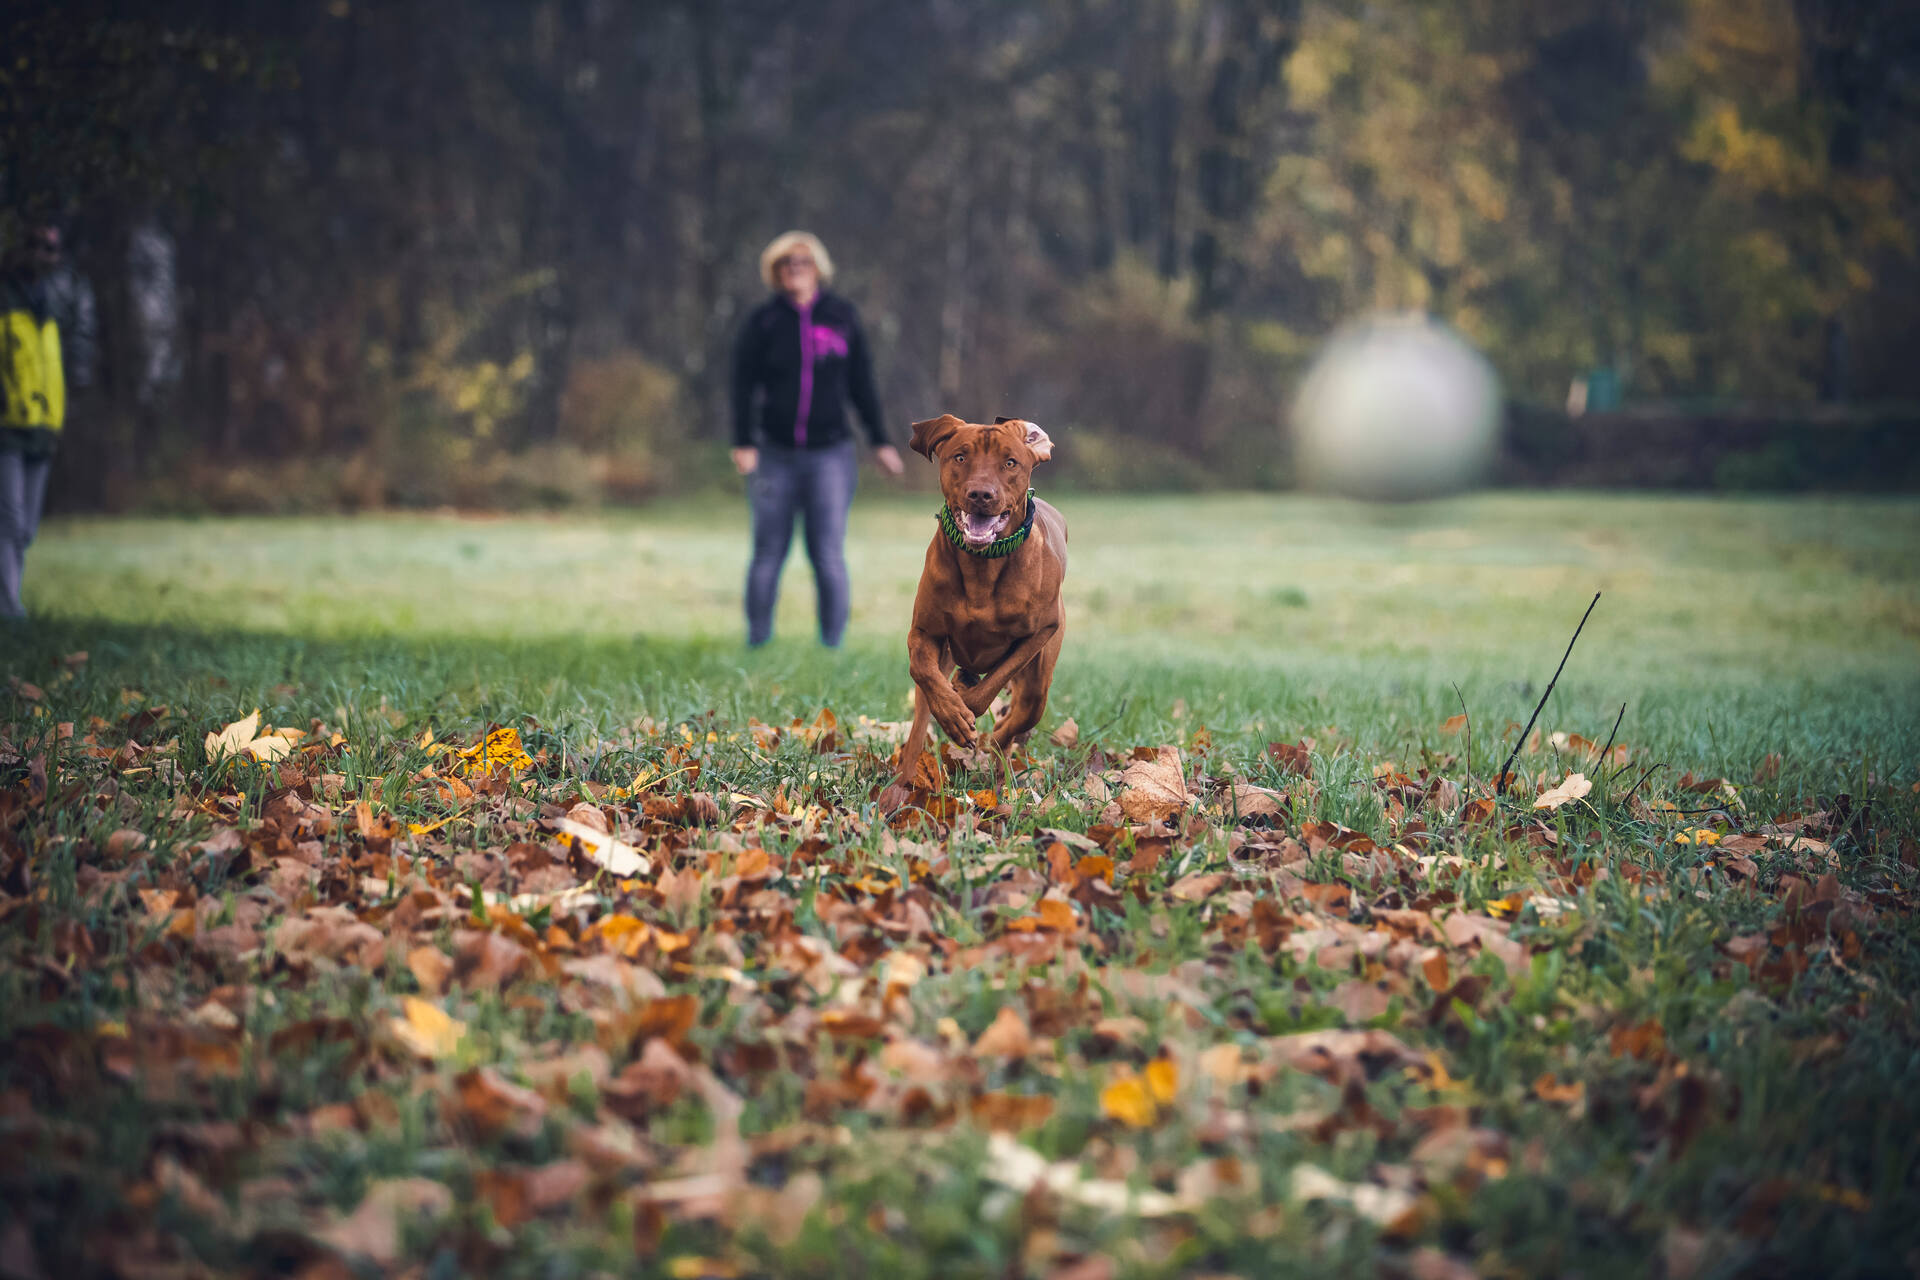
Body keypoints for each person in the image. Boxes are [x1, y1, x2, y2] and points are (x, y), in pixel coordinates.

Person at [730, 230, 903, 647]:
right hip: (774, 453)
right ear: (776, 272)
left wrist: (880, 441)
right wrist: (743, 441)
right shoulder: (764, 320)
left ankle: (832, 646)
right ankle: (757, 641)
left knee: (827, 554)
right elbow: (741, 384)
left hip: (830, 454)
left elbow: (862, 383)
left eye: (803, 262)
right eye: (787, 263)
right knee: (768, 554)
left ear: (818, 269)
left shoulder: (841, 316)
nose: (795, 269)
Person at [1, 222, 94, 620]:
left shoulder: (56, 301)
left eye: (53, 249)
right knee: (10, 517)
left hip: (43, 424)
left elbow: (63, 362)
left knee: (27, 528)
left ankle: (10, 598)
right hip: (6, 425)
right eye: (38, 246)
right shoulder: (4, 296)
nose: (46, 255)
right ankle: (9, 606)